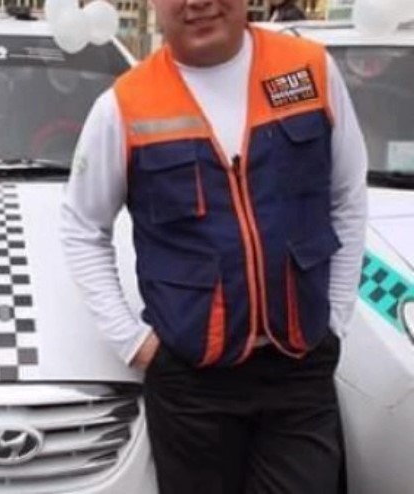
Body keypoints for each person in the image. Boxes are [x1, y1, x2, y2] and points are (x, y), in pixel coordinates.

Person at [59, 0, 368, 492]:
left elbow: (347, 197)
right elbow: (82, 227)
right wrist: (132, 342)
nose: (197, 3)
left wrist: (335, 317)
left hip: (298, 367)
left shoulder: (309, 71)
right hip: (191, 384)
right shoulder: (125, 105)